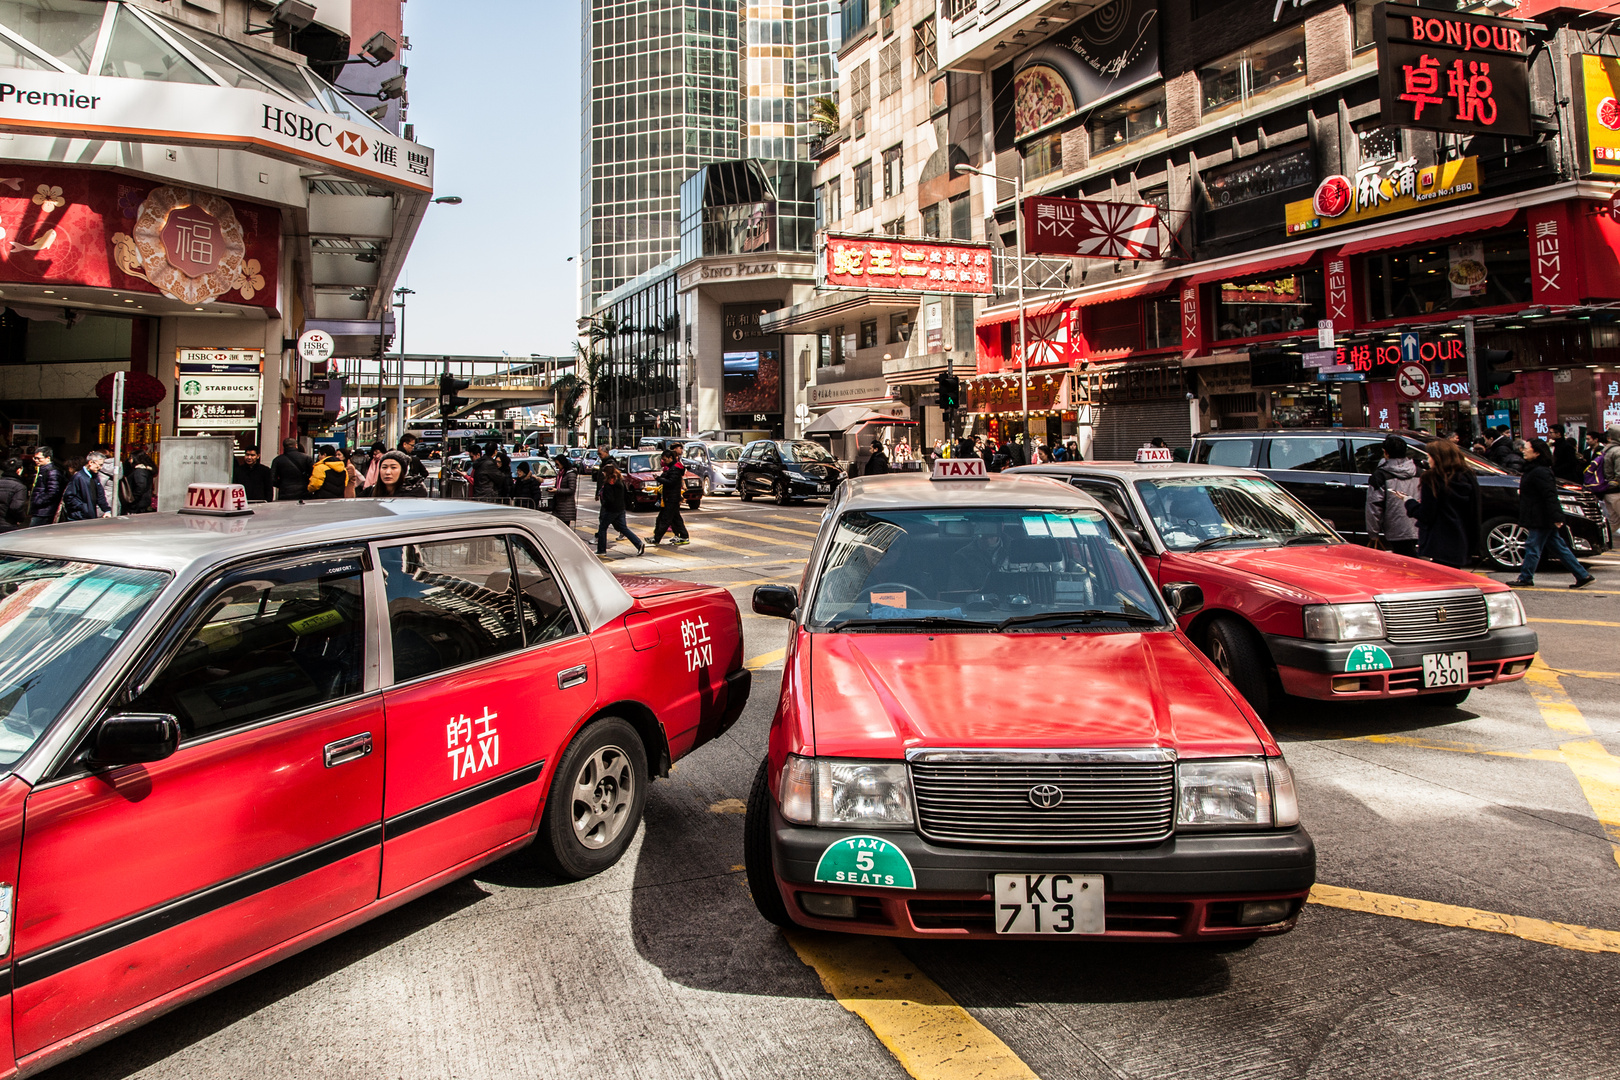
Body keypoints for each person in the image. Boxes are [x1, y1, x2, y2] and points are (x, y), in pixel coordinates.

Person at [1510, 438, 1595, 588]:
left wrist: (1556, 516)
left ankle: (1526, 577)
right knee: (1558, 547)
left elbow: (1550, 495)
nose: (1523, 450)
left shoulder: (1540, 472)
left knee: (1532, 547)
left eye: (1527, 448)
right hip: (1539, 515)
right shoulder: (1534, 469)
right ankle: (1583, 575)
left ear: (1537, 453)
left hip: (1541, 516)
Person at [1406, 439, 1481, 569]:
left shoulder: (1432, 478)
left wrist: (1409, 503)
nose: (1427, 460)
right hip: (1462, 538)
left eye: (1429, 457)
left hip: (1439, 541)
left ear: (1438, 458)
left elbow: (1426, 514)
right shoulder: (1467, 476)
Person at [1365, 434, 1423, 556]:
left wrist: (1373, 533)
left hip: (1395, 528)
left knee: (1402, 561)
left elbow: (1374, 506)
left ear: (1385, 452)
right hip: (1418, 525)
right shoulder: (1419, 472)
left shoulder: (1380, 475)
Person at [595, 464, 645, 556]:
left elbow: (609, 499)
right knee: (623, 528)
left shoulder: (609, 484)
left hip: (611, 509)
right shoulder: (619, 480)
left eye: (604, 472)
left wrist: (605, 504)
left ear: (607, 473)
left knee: (602, 528)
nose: (603, 474)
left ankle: (601, 549)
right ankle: (638, 543)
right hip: (621, 508)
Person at [650, 449, 690, 546]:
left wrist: (659, 479)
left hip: (672, 497)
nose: (664, 461)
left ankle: (656, 539)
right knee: (676, 518)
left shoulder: (675, 469)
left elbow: (671, 482)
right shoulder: (672, 468)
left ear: (670, 458)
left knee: (665, 519)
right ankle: (683, 536)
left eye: (665, 459)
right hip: (670, 497)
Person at [61, 452, 110, 521]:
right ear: (91, 462)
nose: (100, 468)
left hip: (88, 515)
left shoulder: (95, 477)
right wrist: (83, 507)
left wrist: (107, 510)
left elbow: (100, 495)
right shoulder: (78, 477)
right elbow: (69, 497)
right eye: (99, 465)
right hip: (78, 517)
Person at [28, 446, 63, 526]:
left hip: (44, 512)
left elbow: (53, 491)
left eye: (39, 458)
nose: (36, 460)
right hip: (39, 510)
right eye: (35, 458)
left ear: (48, 458)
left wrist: (38, 501)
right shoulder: (41, 470)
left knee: (33, 534)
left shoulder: (52, 472)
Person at [1597, 426, 1620, 538]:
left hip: (1608, 490)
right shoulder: (1618, 451)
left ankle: (1603, 539)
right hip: (1617, 491)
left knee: (1614, 521)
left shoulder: (1605, 450)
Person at [550, 453, 577, 524]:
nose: (557, 466)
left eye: (558, 464)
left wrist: (557, 490)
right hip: (558, 505)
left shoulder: (570, 474)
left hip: (566, 506)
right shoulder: (560, 474)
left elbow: (571, 490)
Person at [0, 459, 27, 531]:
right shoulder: (19, 487)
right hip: (8, 524)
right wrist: (21, 519)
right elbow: (16, 507)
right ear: (19, 470)